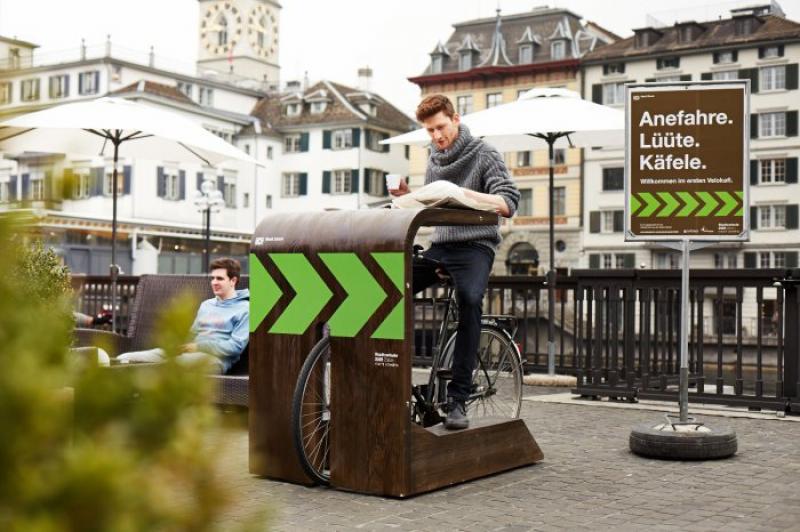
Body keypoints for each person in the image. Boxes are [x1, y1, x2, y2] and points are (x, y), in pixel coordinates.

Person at [393, 94, 520, 430]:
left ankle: (458, 399)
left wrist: (464, 195)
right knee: (389, 285)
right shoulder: (434, 159)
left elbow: (508, 202)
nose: (436, 136)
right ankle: (391, 382)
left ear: (456, 119)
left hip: (476, 246)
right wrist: (410, 197)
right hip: (442, 246)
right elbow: (436, 206)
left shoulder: (484, 153)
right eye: (430, 131)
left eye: (440, 127)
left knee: (470, 300)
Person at [116, 257, 249, 374]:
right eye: (212, 278)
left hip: (213, 361)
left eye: (220, 278)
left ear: (233, 281)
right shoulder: (206, 305)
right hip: (188, 353)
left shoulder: (244, 309)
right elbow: (192, 333)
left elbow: (235, 347)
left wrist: (199, 347)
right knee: (126, 358)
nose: (214, 282)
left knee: (166, 367)